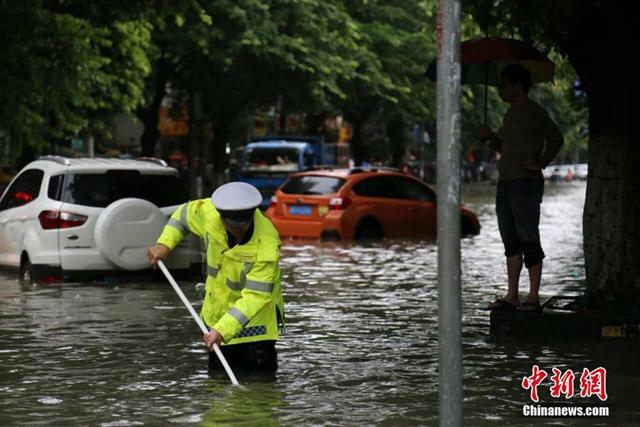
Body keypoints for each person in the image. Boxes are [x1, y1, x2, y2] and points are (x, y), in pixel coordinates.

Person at [147, 182, 285, 373]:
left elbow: (256, 295)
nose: (239, 229)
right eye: (231, 223)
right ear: (221, 216)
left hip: (255, 332)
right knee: (218, 388)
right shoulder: (209, 214)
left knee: (258, 390)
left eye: (244, 222)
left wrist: (222, 329)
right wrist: (165, 245)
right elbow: (182, 215)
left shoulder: (267, 243)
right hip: (215, 321)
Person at [479, 64, 564, 313]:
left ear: (518, 86)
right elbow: (506, 149)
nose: (500, 90)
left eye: (504, 85)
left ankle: (533, 296)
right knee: (510, 239)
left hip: (525, 183)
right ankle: (512, 295)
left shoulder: (533, 111)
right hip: (505, 183)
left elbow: (556, 138)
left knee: (528, 237)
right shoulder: (510, 115)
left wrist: (539, 163)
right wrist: (490, 137)